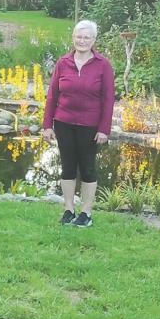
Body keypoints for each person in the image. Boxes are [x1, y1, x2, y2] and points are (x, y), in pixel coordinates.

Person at [42, 20, 115, 228]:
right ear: (73, 38)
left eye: (86, 37)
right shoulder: (63, 62)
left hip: (90, 125)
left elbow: (108, 99)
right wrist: (47, 125)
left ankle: (86, 213)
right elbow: (52, 95)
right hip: (63, 121)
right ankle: (68, 209)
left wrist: (104, 129)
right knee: (67, 167)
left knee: (88, 168)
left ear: (93, 40)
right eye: (79, 37)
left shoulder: (103, 65)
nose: (82, 41)